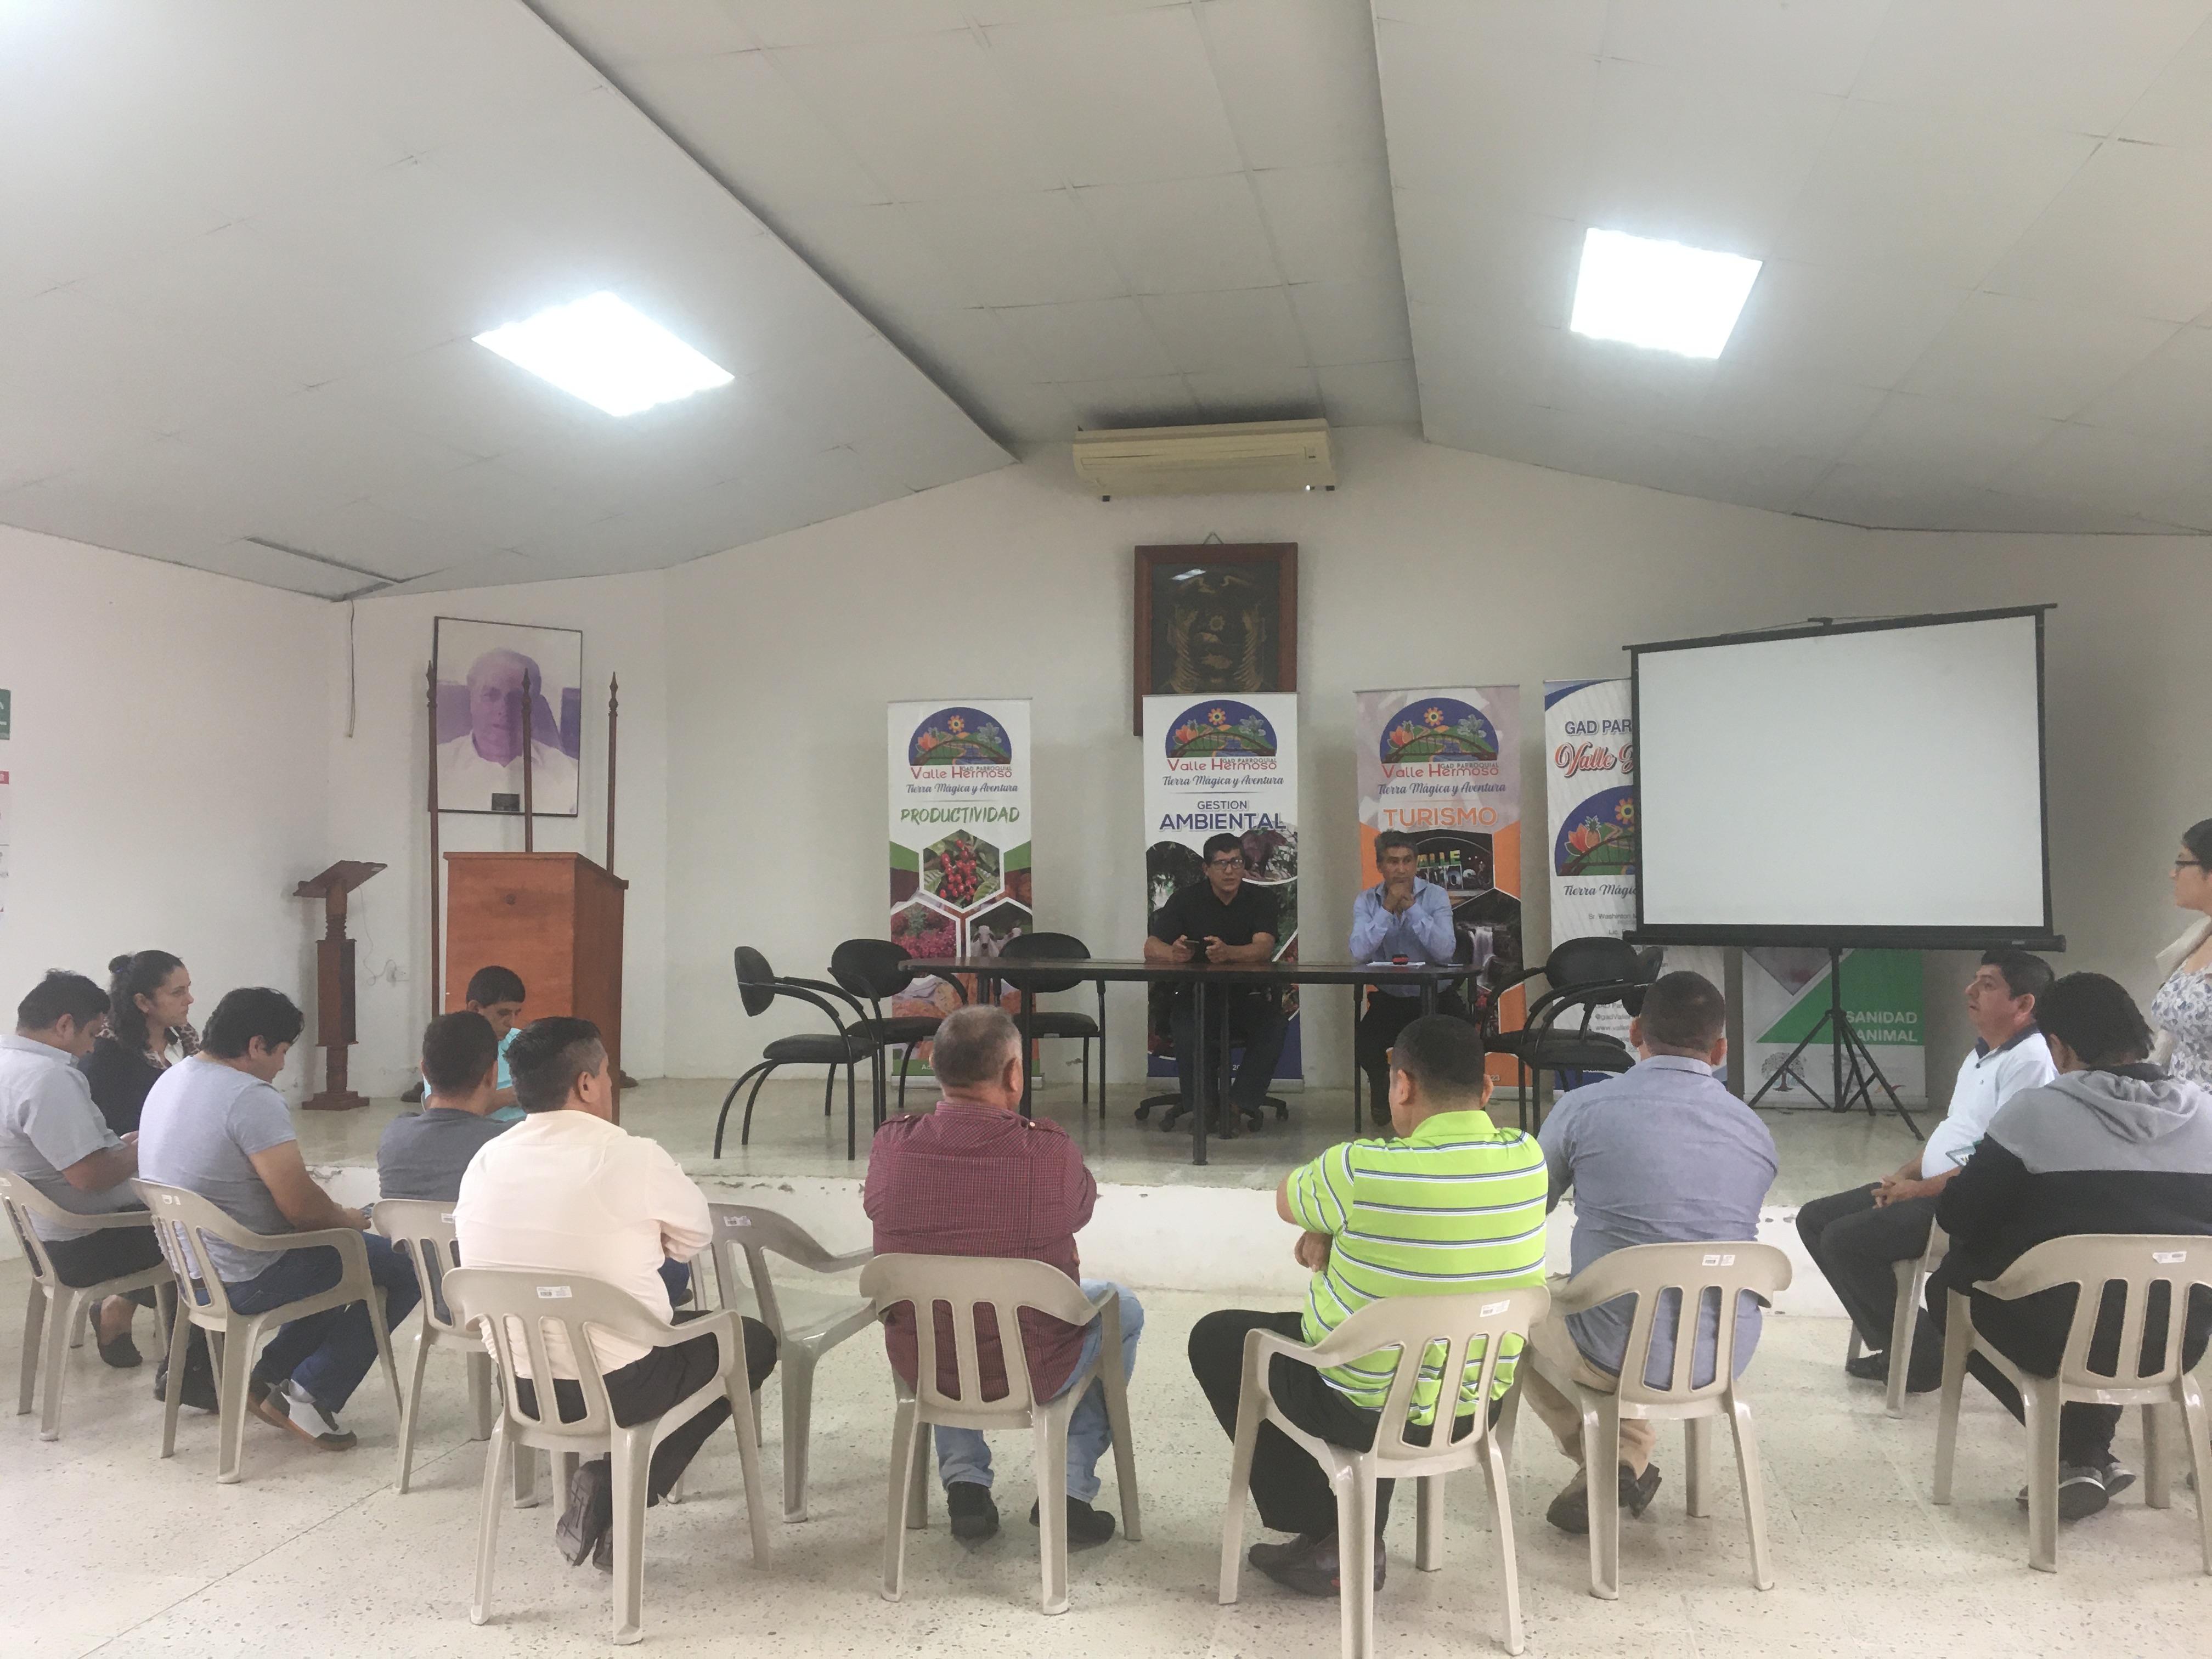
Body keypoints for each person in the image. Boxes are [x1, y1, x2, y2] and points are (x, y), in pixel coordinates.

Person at [1188, 1016, 1547, 1598]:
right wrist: (1339, 1230)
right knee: (1393, 1350)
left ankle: (1333, 1532)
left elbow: (1286, 1201)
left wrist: (1327, 1226)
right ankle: (1349, 1536)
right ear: (1486, 1091)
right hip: (1473, 1404)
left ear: (1401, 1086)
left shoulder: (1360, 1169)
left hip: (1361, 1407)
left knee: (1222, 1339)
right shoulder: (1529, 1158)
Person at [455, 1017, 775, 1572]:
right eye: (605, 1074)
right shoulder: (632, 1156)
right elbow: (693, 1239)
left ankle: (610, 1491)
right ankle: (619, 1485)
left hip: (522, 1387)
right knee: (752, 1341)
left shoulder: (484, 1161)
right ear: (585, 1084)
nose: (608, 1084)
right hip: (622, 1389)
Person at [1928, 972, 2212, 1520]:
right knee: (2115, 1309)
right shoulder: (2205, 1114)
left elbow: (1959, 1214)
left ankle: (2076, 1452)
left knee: (1950, 1287)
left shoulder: (2036, 1113)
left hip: (2054, 1334)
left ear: (2059, 1047)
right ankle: (2087, 1456)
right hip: (2177, 1340)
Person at [863, 1005, 1143, 1548]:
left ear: (935, 1066)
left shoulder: (892, 1147)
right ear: (1015, 1074)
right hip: (1034, 1363)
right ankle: (1069, 1491)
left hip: (925, 1363)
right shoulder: (1048, 1152)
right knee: (1121, 1308)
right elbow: (1081, 1208)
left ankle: (965, 1486)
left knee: (943, 1312)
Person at [1521, 970, 1777, 1534]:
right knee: (1638, 1297)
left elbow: (1523, 1210)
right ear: (1721, 1050)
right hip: (1724, 1352)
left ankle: (1612, 1458)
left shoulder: (1584, 1109)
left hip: (1611, 1349)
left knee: (1521, 1312)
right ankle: (1622, 1457)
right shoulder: (1755, 1130)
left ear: (1635, 1032)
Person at [138, 987, 421, 1452]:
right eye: (283, 1052)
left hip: (192, 1274)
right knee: (403, 1264)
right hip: (245, 1276)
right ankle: (311, 1393)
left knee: (336, 1258)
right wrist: (349, 1219)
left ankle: (268, 1380)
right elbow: (302, 1210)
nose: (283, 1065)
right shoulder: (249, 1097)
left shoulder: (172, 1079)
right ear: (257, 1046)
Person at [1795, 949, 2055, 1393]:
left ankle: (1918, 1358)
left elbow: (1999, 1163)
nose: (1970, 991)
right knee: (1815, 1219)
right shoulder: (1982, 1053)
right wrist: (1904, 1177)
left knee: (1846, 1240)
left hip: (1966, 1205)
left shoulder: (2030, 1062)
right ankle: (1914, 1346)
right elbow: (1953, 1131)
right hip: (1932, 1188)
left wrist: (1918, 1192)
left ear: (2024, 1003)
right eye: (1975, 981)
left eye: (1987, 985)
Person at [0, 972, 165, 1367]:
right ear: (64, 1025)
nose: (92, 1047)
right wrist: (146, 1148)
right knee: (201, 1236)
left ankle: (123, 1320)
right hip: (86, 1241)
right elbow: (90, 1177)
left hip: (43, 1237)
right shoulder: (48, 1078)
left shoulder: (9, 1063)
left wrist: (119, 1148)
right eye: (92, 1034)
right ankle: (193, 1374)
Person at [1145, 831, 1286, 1134]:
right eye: (1221, 864)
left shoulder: (1260, 899)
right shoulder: (1186, 899)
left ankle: (1237, 1105)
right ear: (1206, 869)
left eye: (1236, 862)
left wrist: (1229, 953)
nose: (1230, 871)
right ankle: (1204, 1106)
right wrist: (1174, 953)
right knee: (1186, 1024)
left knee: (1274, 1025)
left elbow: (1263, 948)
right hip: (1197, 994)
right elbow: (1151, 946)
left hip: (1246, 995)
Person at [1350, 830, 1466, 1125]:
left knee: (1463, 1039)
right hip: (1392, 998)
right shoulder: (1367, 901)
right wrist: (1387, 909)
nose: (1401, 869)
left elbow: (1445, 952)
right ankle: (1382, 1088)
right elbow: (1359, 953)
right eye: (1393, 862)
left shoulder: (1435, 896)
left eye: (1407, 861)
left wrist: (1413, 910)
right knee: (1365, 1044)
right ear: (1380, 866)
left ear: (1416, 863)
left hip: (1437, 996)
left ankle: (1448, 1108)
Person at [375, 1012, 513, 1202]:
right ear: (492, 1073)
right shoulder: (512, 1140)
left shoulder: (395, 1135)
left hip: (405, 1224)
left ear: (425, 1071)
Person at [436, 647, 579, 815]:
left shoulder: (571, 774)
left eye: (517, 698)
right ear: (472, 697)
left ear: (533, 706)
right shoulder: (436, 767)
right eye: (491, 695)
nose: (504, 709)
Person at [77, 950, 197, 1136]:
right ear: (142, 1002)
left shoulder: (187, 1042)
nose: (190, 1000)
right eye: (177, 993)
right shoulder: (106, 1061)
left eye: (188, 989)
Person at [2151, 818, 2212, 1087]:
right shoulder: (2198, 936)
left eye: (2182, 862)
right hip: (2179, 1104)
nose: (2173, 874)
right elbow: (2171, 1035)